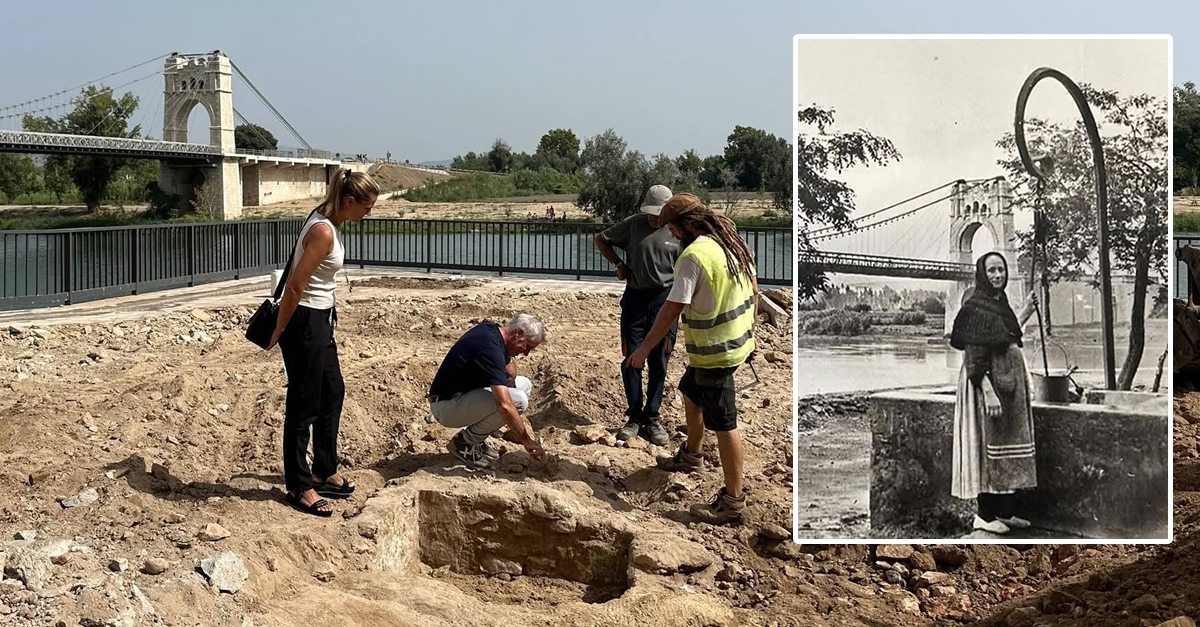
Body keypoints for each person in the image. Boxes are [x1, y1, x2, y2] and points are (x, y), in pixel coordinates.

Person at [627, 193, 758, 525]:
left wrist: (643, 350)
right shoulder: (730, 242)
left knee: (725, 425)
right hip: (734, 343)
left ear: (686, 224)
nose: (669, 234)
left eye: (671, 227)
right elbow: (753, 290)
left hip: (716, 352)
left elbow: (672, 309)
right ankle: (692, 456)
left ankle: (732, 501)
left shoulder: (693, 256)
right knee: (689, 390)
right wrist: (750, 334)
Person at [267, 168, 379, 517]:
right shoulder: (323, 231)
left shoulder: (327, 219)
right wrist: (278, 332)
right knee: (304, 403)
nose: (369, 213)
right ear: (349, 201)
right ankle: (299, 486)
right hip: (304, 321)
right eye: (367, 206)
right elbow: (296, 287)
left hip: (320, 318)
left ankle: (324, 470)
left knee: (333, 391)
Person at [949, 252, 1039, 535]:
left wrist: (1025, 310)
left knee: (1004, 446)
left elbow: (1007, 337)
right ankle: (984, 516)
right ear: (982, 274)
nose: (998, 275)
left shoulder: (998, 303)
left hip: (1005, 384)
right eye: (992, 271)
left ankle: (1005, 511)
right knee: (987, 446)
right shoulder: (976, 306)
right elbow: (974, 356)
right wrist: (987, 390)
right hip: (985, 384)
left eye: (1001, 270)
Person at [593, 184, 681, 446]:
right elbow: (601, 239)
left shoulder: (677, 231)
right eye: (651, 213)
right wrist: (619, 264)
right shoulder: (633, 225)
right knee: (632, 357)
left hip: (665, 300)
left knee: (659, 359)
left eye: (659, 213)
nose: (654, 218)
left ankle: (652, 418)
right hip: (635, 299)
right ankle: (634, 416)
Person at [428, 314, 549, 470]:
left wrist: (509, 375)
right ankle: (465, 443)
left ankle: (477, 439)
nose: (526, 353)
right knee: (517, 401)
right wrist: (526, 440)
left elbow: (510, 370)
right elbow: (505, 406)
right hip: (446, 407)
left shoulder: (492, 331)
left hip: (461, 396)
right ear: (518, 334)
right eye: (527, 347)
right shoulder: (489, 348)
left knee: (523, 385)